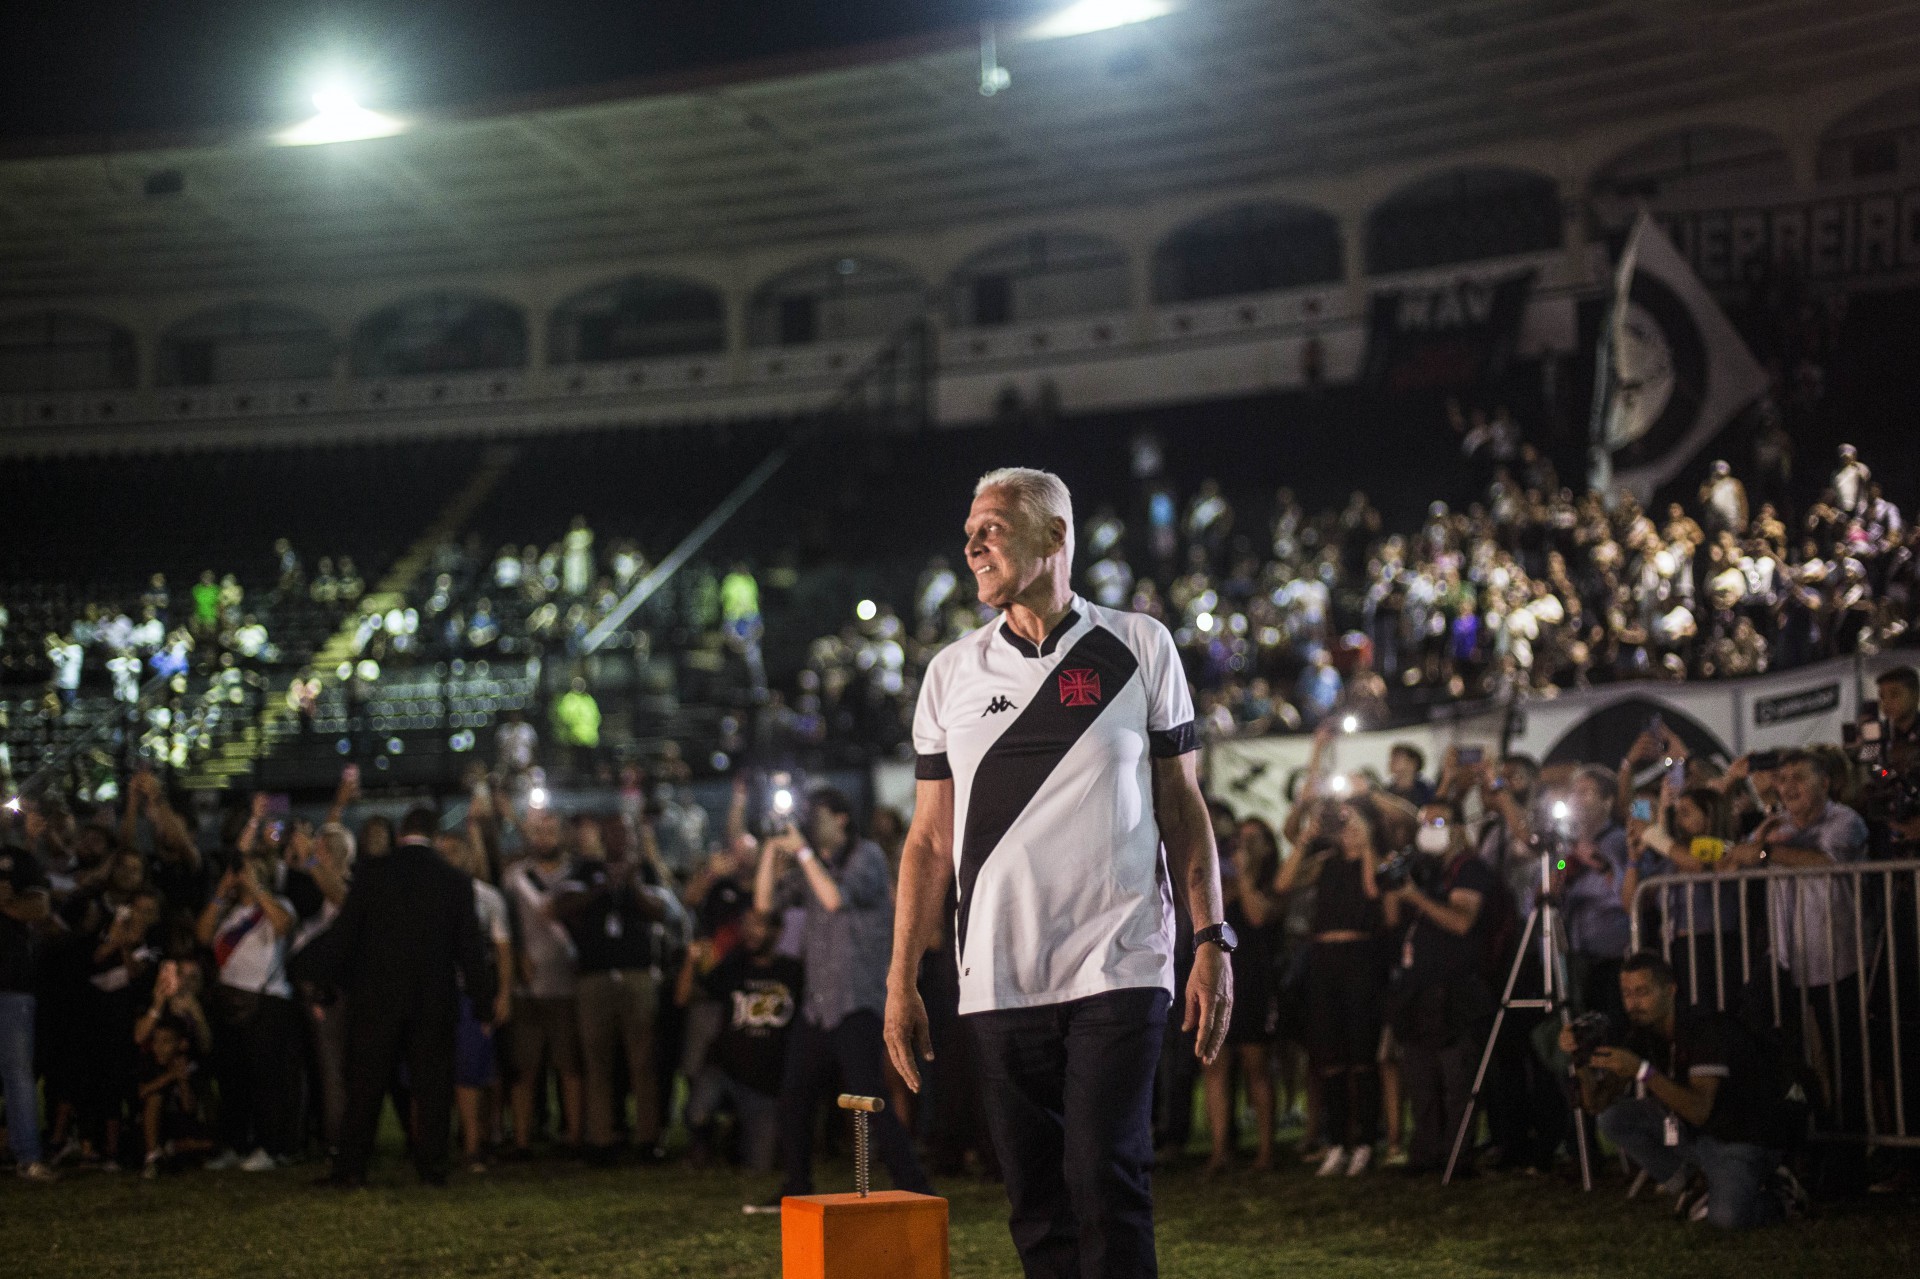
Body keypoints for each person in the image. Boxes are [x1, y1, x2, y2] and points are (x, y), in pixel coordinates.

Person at [886, 467, 1229, 1279]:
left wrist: (1212, 938)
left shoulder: (1140, 645)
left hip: (1120, 958)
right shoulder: (950, 675)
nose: (972, 543)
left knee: (1104, 1180)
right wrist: (900, 978)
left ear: (1054, 537)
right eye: (969, 528)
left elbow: (1183, 807)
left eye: (994, 526)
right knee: (1035, 1200)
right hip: (998, 975)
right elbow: (929, 842)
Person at [755, 787, 932, 1209]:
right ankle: (796, 1186)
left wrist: (801, 854)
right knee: (794, 1096)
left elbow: (835, 900)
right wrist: (770, 849)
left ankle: (916, 1188)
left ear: (842, 819)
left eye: (818, 816)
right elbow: (763, 905)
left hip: (857, 1003)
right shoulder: (813, 864)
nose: (811, 824)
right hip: (818, 1006)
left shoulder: (867, 857)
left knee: (872, 1099)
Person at [302, 806, 495, 1187]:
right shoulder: (453, 881)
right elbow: (469, 949)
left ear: (402, 832)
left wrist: (325, 982)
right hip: (432, 998)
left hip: (377, 998)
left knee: (366, 1084)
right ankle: (432, 1164)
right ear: (436, 836)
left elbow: (347, 934)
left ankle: (352, 1166)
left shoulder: (373, 874)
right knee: (433, 1084)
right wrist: (482, 999)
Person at [1567, 953, 1806, 1229]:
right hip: (1697, 1136)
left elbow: (1699, 1109)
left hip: (1741, 1137)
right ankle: (1694, 1184)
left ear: (1670, 990)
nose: (1633, 1003)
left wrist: (1642, 1070)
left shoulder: (1705, 1029)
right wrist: (1581, 1058)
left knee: (1727, 1219)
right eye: (1627, 993)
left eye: (1642, 992)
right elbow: (1598, 1104)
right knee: (1614, 1118)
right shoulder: (1644, 1033)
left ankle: (1781, 1193)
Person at [1722, 751, 1871, 1134]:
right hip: (1787, 959)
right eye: (1782, 778)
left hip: (1837, 958)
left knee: (1844, 1060)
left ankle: (1850, 1150)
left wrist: (1767, 850)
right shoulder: (1775, 825)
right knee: (1780, 1048)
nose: (1788, 786)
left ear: (1824, 782)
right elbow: (1734, 861)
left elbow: (1825, 861)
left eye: (1798, 778)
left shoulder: (1844, 820)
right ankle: (1807, 1136)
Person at [1275, 798, 1386, 1178]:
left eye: (1354, 821)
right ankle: (1337, 1142)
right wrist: (1306, 839)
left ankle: (1367, 1143)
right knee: (1331, 1056)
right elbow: (1284, 883)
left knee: (1361, 1055)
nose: (1346, 828)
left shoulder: (1375, 860)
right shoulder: (1325, 861)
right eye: (1343, 822)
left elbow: (1373, 893)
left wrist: (1366, 844)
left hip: (1361, 958)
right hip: (1324, 961)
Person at [1383, 801, 1496, 1175]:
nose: (1428, 828)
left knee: (1455, 1077)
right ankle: (1426, 1152)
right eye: (1423, 822)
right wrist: (1394, 884)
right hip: (1417, 989)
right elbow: (1390, 917)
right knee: (1421, 1078)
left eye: (1437, 821)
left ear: (1459, 828)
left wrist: (1414, 895)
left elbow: (1462, 921)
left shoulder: (1470, 869)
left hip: (1455, 990)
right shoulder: (1427, 869)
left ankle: (1457, 1156)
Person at [556, 814, 674, 1164]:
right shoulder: (583, 871)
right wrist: (603, 886)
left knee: (643, 1060)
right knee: (597, 1061)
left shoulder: (645, 871)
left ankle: (648, 1138)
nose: (616, 840)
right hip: (595, 977)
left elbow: (661, 912)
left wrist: (632, 884)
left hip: (636, 975)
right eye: (610, 834)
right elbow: (561, 906)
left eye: (622, 834)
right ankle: (603, 1138)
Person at [197, 850, 300, 1172]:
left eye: (254, 869)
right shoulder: (228, 913)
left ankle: (271, 1146)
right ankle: (235, 1143)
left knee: (266, 1078)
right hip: (229, 1000)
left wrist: (257, 891)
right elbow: (202, 936)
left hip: (266, 999)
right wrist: (220, 892)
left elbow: (283, 926)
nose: (245, 875)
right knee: (232, 1076)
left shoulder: (278, 904)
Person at [677, 908, 803, 1173]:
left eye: (758, 925)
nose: (750, 932)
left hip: (764, 1083)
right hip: (725, 1070)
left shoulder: (793, 972)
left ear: (778, 932)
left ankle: (736, 1138)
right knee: (696, 1112)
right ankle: (702, 1149)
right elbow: (683, 997)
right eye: (747, 925)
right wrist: (691, 961)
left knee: (760, 1166)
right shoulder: (734, 967)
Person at [502, 809, 585, 1155]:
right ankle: (522, 1140)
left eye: (550, 829)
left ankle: (575, 1137)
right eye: (537, 830)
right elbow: (506, 926)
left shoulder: (577, 875)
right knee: (524, 1067)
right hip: (528, 987)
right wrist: (518, 954)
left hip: (568, 985)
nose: (544, 837)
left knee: (569, 1066)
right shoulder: (514, 877)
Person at [1203, 815, 1281, 1174]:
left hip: (1254, 981)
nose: (1244, 847)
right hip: (1221, 978)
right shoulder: (1224, 882)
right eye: (1240, 840)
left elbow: (1258, 915)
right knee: (1216, 1064)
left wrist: (1245, 875)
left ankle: (1266, 1152)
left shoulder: (1272, 883)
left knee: (1256, 1065)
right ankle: (1220, 1151)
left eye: (1254, 840)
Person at [437, 826, 512, 1174]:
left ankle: (474, 1145)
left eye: (453, 851)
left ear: (469, 854)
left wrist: (503, 994)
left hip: (471, 996)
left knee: (472, 1071)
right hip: (436, 994)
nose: (446, 858)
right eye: (442, 851)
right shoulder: (428, 896)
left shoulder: (487, 897)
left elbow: (502, 950)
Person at [1, 841, 54, 1180]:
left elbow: (40, 906)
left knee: (18, 1073)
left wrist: (7, 902)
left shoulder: (18, 859)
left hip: (11, 983)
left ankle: (28, 1156)